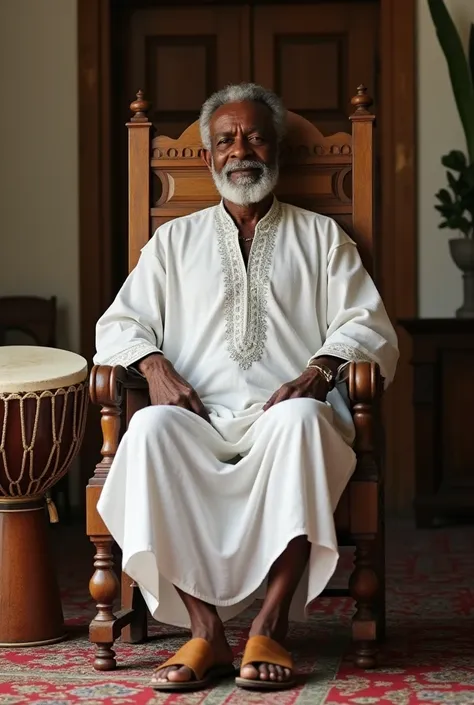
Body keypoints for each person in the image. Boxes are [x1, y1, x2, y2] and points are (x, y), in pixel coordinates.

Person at [94, 82, 399, 692]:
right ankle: (205, 631)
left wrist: (316, 375)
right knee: (147, 429)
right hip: (195, 418)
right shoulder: (173, 242)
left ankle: (270, 623)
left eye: (256, 136)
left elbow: (366, 323)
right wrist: (155, 368)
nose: (242, 150)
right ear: (208, 157)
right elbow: (119, 323)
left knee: (304, 421)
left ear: (276, 149)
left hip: (284, 415)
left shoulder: (320, 237)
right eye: (227, 139)